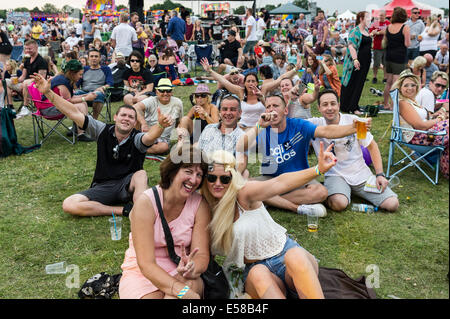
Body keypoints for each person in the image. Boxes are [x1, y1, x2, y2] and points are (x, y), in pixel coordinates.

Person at [200, 144, 337, 299]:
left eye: (225, 179)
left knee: (295, 255)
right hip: (254, 271)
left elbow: (280, 183)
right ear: (205, 179)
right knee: (258, 273)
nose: (217, 184)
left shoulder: (243, 194)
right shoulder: (203, 209)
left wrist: (317, 170)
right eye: (212, 178)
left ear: (233, 178)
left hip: (287, 258)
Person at [30, 72, 174, 216]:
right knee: (69, 204)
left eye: (131, 117)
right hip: (104, 186)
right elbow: (73, 112)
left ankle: (141, 212)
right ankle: (124, 210)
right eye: (123, 115)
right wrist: (48, 93)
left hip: (128, 184)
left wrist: (160, 126)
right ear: (115, 117)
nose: (126, 119)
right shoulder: (102, 130)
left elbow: (149, 137)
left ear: (135, 122)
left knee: (141, 174)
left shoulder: (136, 138)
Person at [237, 94, 372, 215]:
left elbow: (326, 131)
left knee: (321, 192)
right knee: (241, 186)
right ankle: (295, 208)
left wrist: (352, 128)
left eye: (276, 106)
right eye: (268, 107)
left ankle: (267, 200)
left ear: (285, 110)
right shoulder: (262, 129)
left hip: (299, 179)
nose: (271, 109)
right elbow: (240, 147)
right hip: (271, 179)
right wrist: (259, 126)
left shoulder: (299, 125)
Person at [119, 145, 211, 299]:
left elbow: (201, 254)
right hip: (143, 273)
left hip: (180, 270)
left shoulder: (199, 204)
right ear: (173, 171)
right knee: (180, 295)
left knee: (177, 296)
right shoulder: (146, 203)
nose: (194, 180)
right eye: (188, 171)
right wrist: (181, 291)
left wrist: (192, 268)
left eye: (199, 175)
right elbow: (146, 264)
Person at [308, 89, 399, 212]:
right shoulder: (314, 124)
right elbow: (291, 121)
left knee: (392, 204)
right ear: (318, 108)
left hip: (360, 174)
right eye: (325, 104)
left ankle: (351, 191)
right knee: (339, 203)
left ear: (339, 105)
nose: (329, 108)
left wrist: (380, 174)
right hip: (336, 175)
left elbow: (372, 146)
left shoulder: (354, 121)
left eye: (333, 103)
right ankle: (340, 191)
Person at [393, 70, 449, 179]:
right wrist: (440, 118)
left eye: (413, 85)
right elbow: (421, 126)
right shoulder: (403, 103)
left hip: (424, 134)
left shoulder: (411, 101)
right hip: (418, 137)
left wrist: (437, 117)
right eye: (406, 85)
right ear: (400, 87)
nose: (410, 88)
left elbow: (423, 119)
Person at [196, 94, 248, 176]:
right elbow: (197, 153)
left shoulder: (242, 136)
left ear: (239, 113)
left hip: (222, 178)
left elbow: (241, 163)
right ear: (219, 112)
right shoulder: (209, 128)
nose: (228, 113)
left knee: (245, 174)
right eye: (224, 109)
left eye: (233, 109)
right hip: (201, 174)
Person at [133, 78, 184, 156]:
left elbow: (180, 122)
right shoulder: (151, 100)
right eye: (162, 90)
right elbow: (135, 107)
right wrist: (143, 123)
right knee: (136, 117)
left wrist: (180, 138)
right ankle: (137, 145)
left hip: (162, 138)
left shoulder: (178, 103)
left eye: (168, 91)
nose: (165, 93)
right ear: (157, 92)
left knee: (164, 147)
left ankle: (136, 147)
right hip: (147, 133)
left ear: (172, 92)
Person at [340, 11, 372, 114]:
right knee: (352, 83)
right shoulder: (354, 31)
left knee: (360, 84)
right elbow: (351, 46)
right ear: (361, 19)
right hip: (355, 62)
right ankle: (348, 106)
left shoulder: (366, 30)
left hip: (366, 62)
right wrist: (355, 59)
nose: (369, 19)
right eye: (367, 17)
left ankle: (354, 105)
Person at [5, 40, 48, 114]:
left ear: (36, 47)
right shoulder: (27, 60)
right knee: (5, 81)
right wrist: (16, 80)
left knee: (25, 83)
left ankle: (26, 107)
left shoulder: (41, 61)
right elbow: (23, 76)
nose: (28, 50)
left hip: (37, 86)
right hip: (24, 84)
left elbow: (41, 78)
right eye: (26, 49)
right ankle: (10, 106)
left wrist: (27, 81)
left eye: (30, 49)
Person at [382, 7, 411, 111]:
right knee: (396, 82)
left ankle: (385, 104)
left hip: (388, 56)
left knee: (388, 82)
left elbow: (384, 42)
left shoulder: (388, 27)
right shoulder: (405, 27)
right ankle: (394, 106)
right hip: (399, 57)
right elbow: (407, 44)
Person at [75, 48, 113, 120]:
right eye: (91, 56)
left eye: (96, 56)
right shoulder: (84, 69)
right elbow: (76, 84)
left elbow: (110, 83)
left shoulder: (106, 69)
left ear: (100, 58)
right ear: (88, 58)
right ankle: (80, 120)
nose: (94, 58)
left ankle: (94, 120)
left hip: (98, 93)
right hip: (84, 92)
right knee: (76, 93)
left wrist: (103, 88)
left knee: (98, 94)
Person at [369, 10, 390, 84]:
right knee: (376, 63)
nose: (381, 17)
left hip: (386, 46)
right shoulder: (374, 23)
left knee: (385, 63)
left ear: (385, 16)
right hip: (377, 46)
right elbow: (371, 33)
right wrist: (376, 33)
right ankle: (374, 77)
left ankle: (385, 78)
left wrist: (378, 32)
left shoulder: (388, 23)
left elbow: (389, 32)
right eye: (380, 15)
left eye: (382, 15)